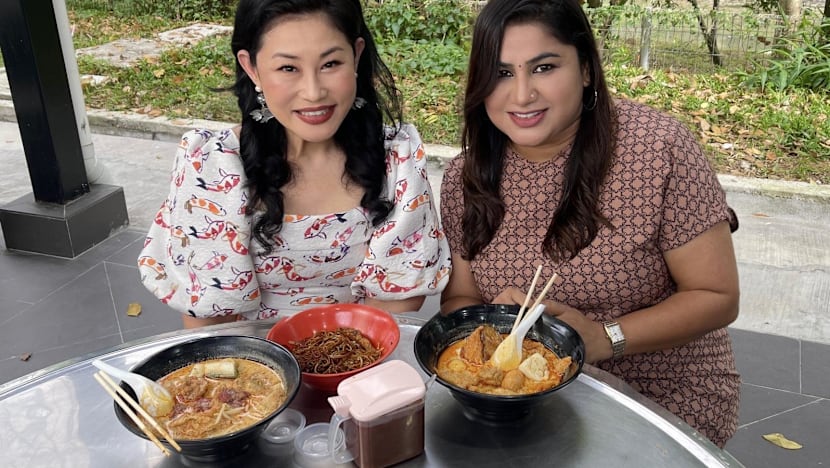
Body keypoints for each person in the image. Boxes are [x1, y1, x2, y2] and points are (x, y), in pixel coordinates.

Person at [440, 0, 740, 447]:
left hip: (659, 391)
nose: (521, 95)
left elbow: (717, 297)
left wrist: (603, 338)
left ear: (585, 69)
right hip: (521, 396)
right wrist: (492, 324)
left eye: (544, 68)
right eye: (502, 73)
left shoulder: (657, 149)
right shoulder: (467, 175)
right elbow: (461, 297)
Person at [138, 0, 451, 329]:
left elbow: (398, 296)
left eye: (330, 64)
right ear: (251, 68)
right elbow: (210, 316)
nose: (314, 92)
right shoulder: (212, 165)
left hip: (362, 356)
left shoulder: (396, 160)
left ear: (356, 56)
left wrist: (335, 367)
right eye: (288, 68)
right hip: (253, 363)